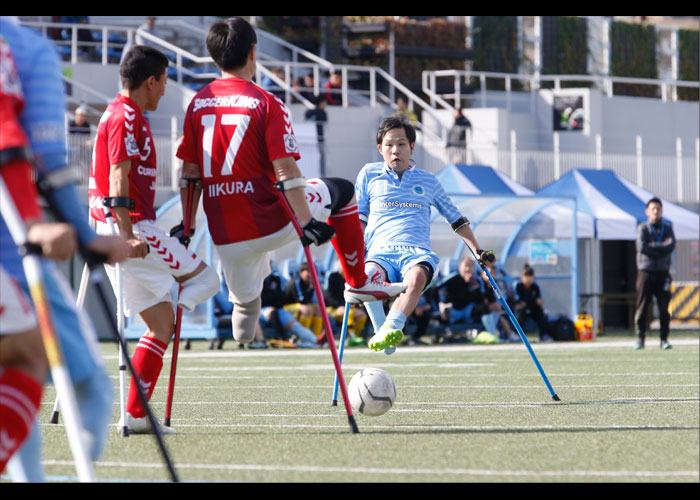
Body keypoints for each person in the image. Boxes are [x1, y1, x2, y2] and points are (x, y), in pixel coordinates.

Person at [174, 17, 406, 349]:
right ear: (254, 52)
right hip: (272, 221)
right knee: (344, 191)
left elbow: (190, 174)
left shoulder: (197, 103)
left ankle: (245, 311)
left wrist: (187, 224)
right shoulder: (266, 102)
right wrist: (307, 222)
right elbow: (286, 171)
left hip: (226, 236)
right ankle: (358, 282)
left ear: (214, 57)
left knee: (244, 315)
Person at [0, 18, 129, 480]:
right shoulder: (24, 49)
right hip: (10, 247)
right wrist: (74, 233)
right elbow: (35, 155)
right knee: (75, 377)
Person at [88, 44, 220, 435]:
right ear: (150, 81)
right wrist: (128, 236)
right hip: (131, 228)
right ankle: (179, 293)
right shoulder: (126, 116)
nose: (165, 90)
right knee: (206, 280)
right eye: (163, 82)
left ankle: (136, 415)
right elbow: (118, 179)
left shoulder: (124, 113)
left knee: (161, 325)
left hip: (121, 226)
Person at [355, 115, 495, 353]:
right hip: (380, 253)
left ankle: (391, 328)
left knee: (417, 277)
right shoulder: (369, 174)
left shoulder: (428, 181)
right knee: (366, 277)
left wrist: (477, 250)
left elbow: (456, 219)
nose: (395, 150)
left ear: (411, 146)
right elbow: (359, 219)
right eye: (389, 145)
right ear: (380, 149)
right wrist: (353, 254)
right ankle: (382, 331)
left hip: (415, 253)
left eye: (401, 144)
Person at [634, 197, 676, 350]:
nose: (656, 211)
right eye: (653, 208)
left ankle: (664, 339)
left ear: (662, 211)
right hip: (646, 271)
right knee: (643, 306)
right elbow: (642, 247)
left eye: (658, 208)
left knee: (664, 307)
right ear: (647, 211)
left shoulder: (668, 228)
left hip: (663, 272)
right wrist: (660, 247)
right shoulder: (643, 228)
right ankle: (640, 339)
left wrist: (654, 247)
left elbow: (670, 246)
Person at [437, 257, 499, 340]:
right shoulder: (452, 278)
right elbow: (436, 289)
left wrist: (474, 286)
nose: (468, 269)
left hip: (467, 310)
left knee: (487, 307)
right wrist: (440, 303)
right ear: (460, 267)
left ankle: (492, 335)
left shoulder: (475, 280)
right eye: (466, 265)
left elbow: (481, 299)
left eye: (470, 266)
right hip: (454, 310)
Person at [325, 266, 369, 345]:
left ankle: (356, 336)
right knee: (348, 313)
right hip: (334, 308)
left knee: (362, 315)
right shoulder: (333, 277)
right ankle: (351, 337)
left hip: (349, 306)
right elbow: (328, 296)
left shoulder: (352, 278)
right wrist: (338, 306)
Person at [283, 261, 324, 339]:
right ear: (301, 272)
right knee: (306, 309)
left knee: (318, 309)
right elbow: (302, 300)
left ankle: (316, 338)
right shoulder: (296, 282)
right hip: (285, 308)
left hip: (298, 307)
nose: (311, 274)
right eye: (308, 271)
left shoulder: (309, 283)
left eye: (313, 272)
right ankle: (305, 338)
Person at [513, 264, 552, 342]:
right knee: (521, 312)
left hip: (532, 308)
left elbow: (540, 301)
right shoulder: (517, 286)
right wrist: (533, 301)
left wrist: (536, 302)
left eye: (530, 277)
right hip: (519, 309)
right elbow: (519, 302)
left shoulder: (535, 287)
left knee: (540, 312)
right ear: (522, 277)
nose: (528, 279)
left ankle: (544, 335)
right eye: (526, 276)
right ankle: (517, 335)